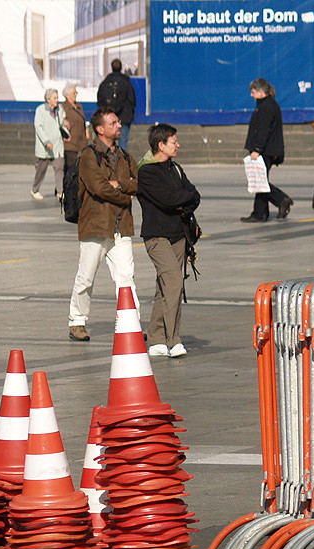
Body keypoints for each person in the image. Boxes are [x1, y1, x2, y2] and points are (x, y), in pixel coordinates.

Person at [68, 107, 139, 342]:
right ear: (100, 129)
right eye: (114, 123)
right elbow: (98, 187)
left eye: (119, 121)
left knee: (126, 279)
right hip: (96, 225)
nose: (119, 125)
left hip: (122, 226)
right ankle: (77, 321)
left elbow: (136, 183)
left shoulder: (126, 156)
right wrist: (123, 194)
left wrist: (120, 185)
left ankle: (131, 322)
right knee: (86, 277)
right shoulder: (88, 155)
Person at [136, 124, 200, 358]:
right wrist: (182, 200)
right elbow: (168, 200)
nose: (178, 144)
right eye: (174, 141)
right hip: (157, 235)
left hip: (178, 235)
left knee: (163, 287)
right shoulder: (147, 172)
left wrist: (183, 200)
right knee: (173, 283)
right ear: (161, 145)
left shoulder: (176, 168)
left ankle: (155, 338)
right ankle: (173, 338)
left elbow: (194, 195)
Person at [241, 78, 292, 222]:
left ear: (261, 92)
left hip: (265, 151)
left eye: (253, 92)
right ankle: (261, 213)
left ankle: (280, 199)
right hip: (267, 149)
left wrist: (257, 149)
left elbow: (264, 130)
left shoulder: (267, 107)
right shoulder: (265, 105)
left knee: (260, 181)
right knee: (259, 181)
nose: (251, 95)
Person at [31, 88, 66, 201]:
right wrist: (46, 141)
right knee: (41, 170)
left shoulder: (59, 109)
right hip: (45, 147)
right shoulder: (40, 110)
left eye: (57, 97)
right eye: (55, 98)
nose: (57, 100)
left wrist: (67, 134)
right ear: (48, 99)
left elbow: (61, 125)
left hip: (57, 146)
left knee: (59, 168)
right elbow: (39, 127)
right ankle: (35, 190)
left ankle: (60, 191)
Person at [96, 58, 136, 153]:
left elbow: (99, 100)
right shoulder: (126, 82)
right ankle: (123, 164)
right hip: (124, 118)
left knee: (106, 143)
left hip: (108, 119)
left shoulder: (105, 83)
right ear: (121, 67)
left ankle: (106, 163)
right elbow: (132, 100)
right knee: (123, 144)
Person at [62, 83, 89, 169]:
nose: (76, 95)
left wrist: (87, 130)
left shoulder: (79, 106)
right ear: (67, 95)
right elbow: (58, 121)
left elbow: (83, 120)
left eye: (76, 93)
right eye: (74, 93)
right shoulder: (63, 107)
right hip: (70, 143)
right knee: (71, 168)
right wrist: (63, 121)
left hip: (81, 141)